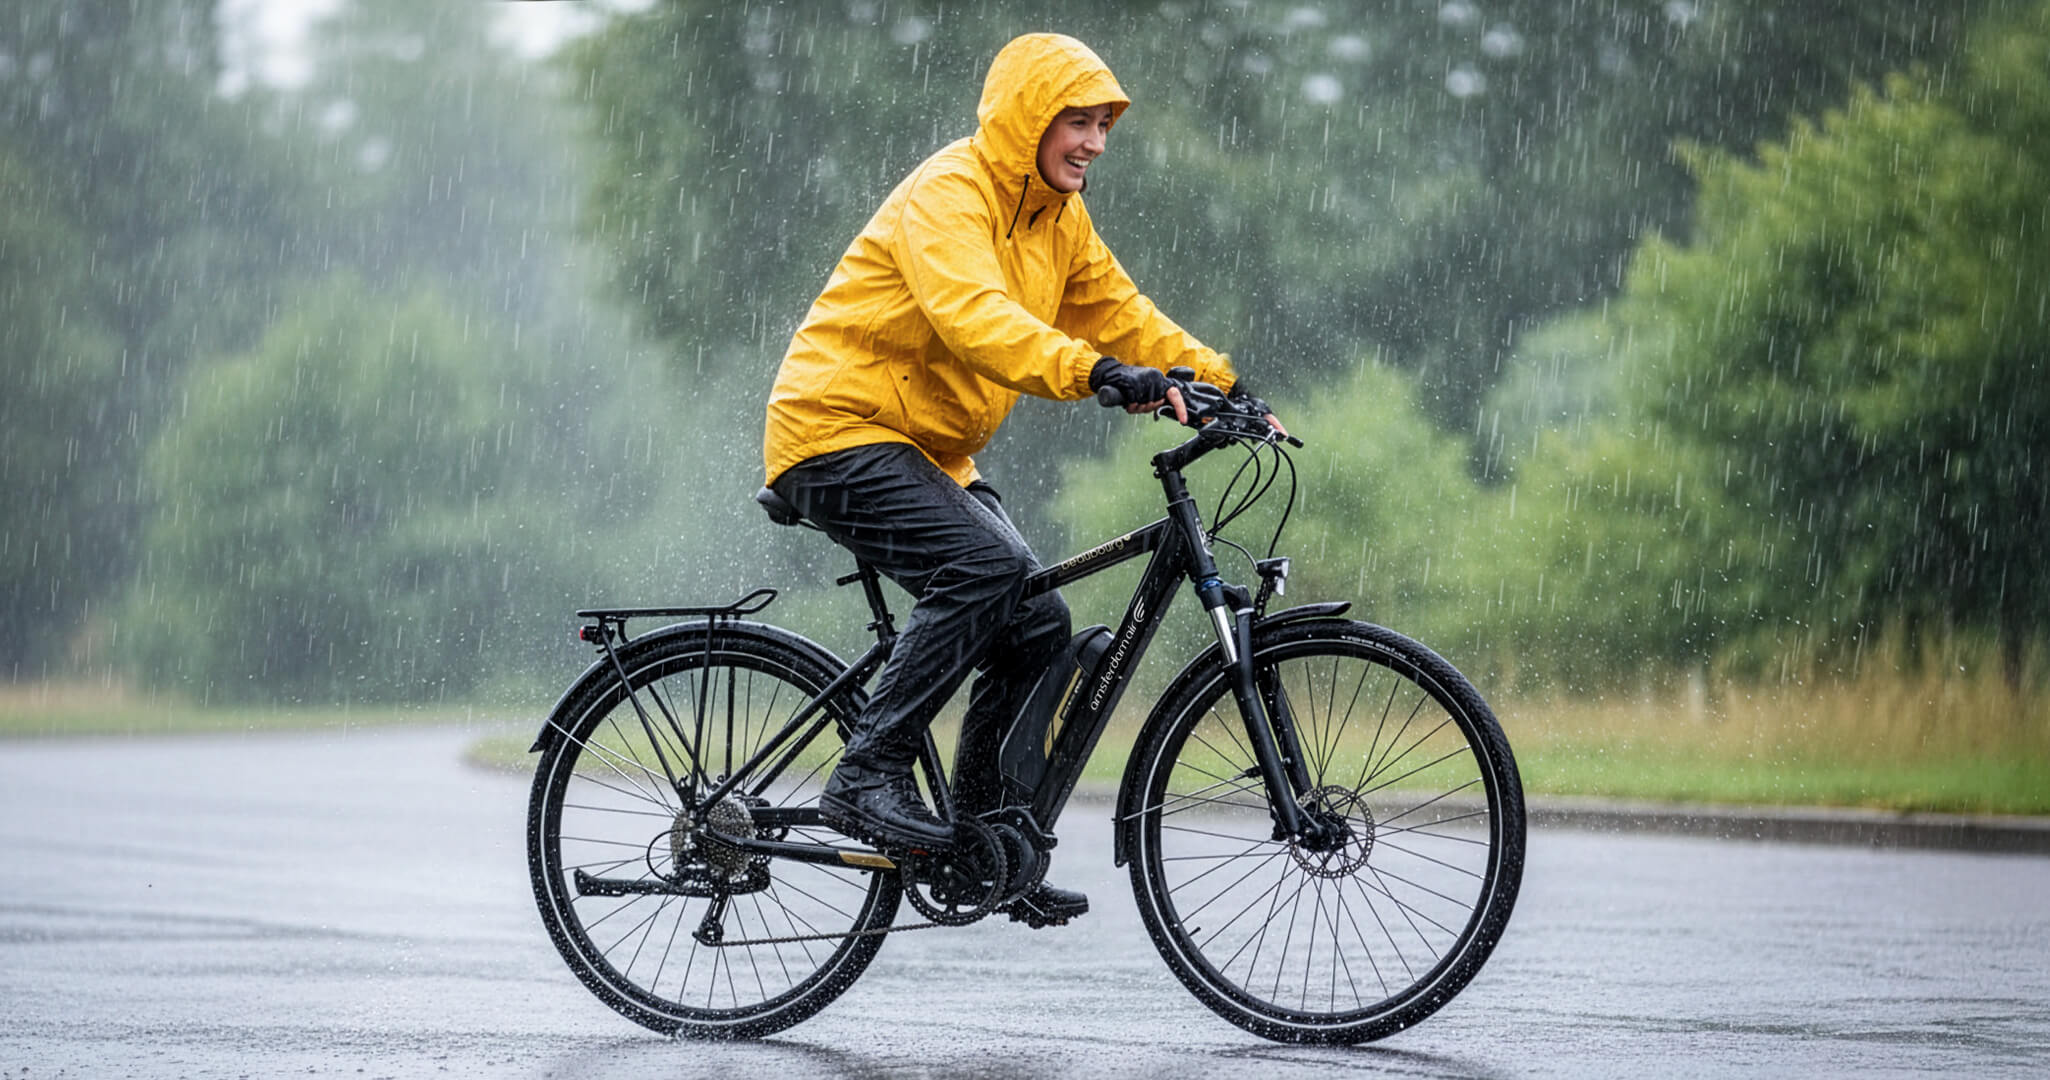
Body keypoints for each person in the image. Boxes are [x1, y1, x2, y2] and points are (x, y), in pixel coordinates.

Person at [763, 32, 1248, 926]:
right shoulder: (950, 192)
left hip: (928, 450)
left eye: (1104, 125)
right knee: (984, 569)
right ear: (1030, 118)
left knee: (1035, 620)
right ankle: (866, 774)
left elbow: (1122, 314)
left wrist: (1226, 387)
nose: (1095, 142)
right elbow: (975, 318)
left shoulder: (1060, 219)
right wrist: (1095, 372)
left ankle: (979, 845)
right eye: (1078, 121)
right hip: (836, 428)